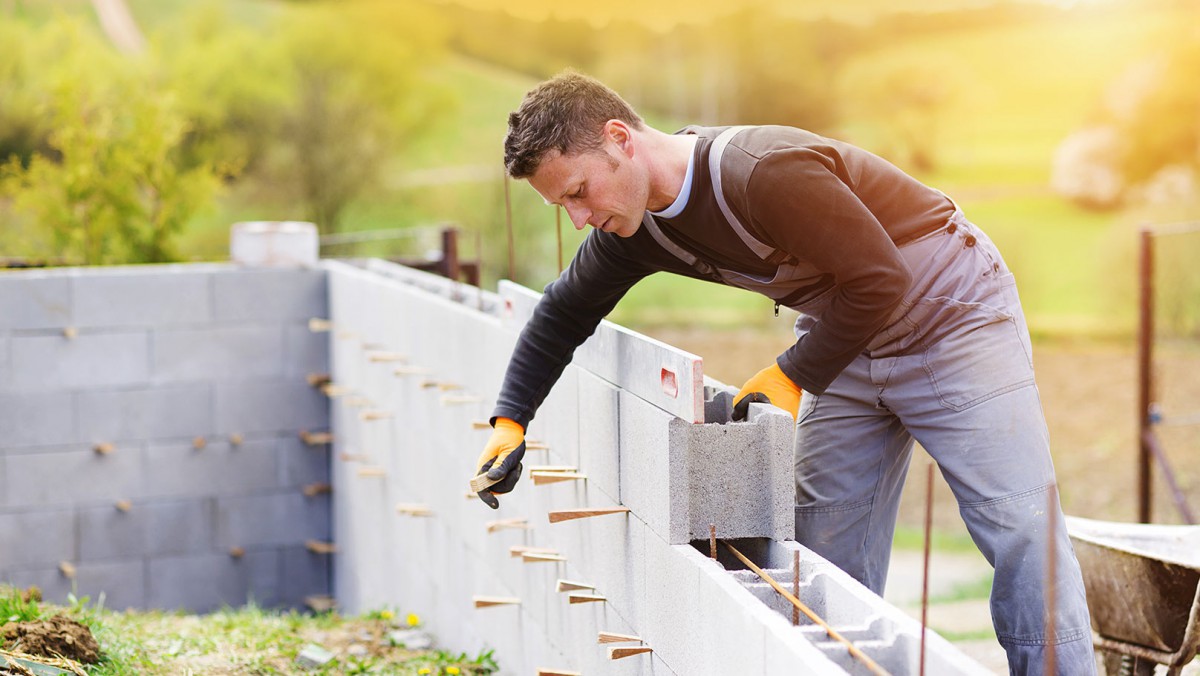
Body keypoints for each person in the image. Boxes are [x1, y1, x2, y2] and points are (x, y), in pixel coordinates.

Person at [474, 70, 1095, 674]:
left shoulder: (761, 172)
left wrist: (794, 374)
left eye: (578, 192)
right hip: (846, 339)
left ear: (619, 138)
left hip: (949, 318)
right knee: (818, 560)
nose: (579, 219)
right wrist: (510, 422)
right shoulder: (634, 230)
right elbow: (561, 313)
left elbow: (882, 278)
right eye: (563, 206)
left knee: (1020, 527)